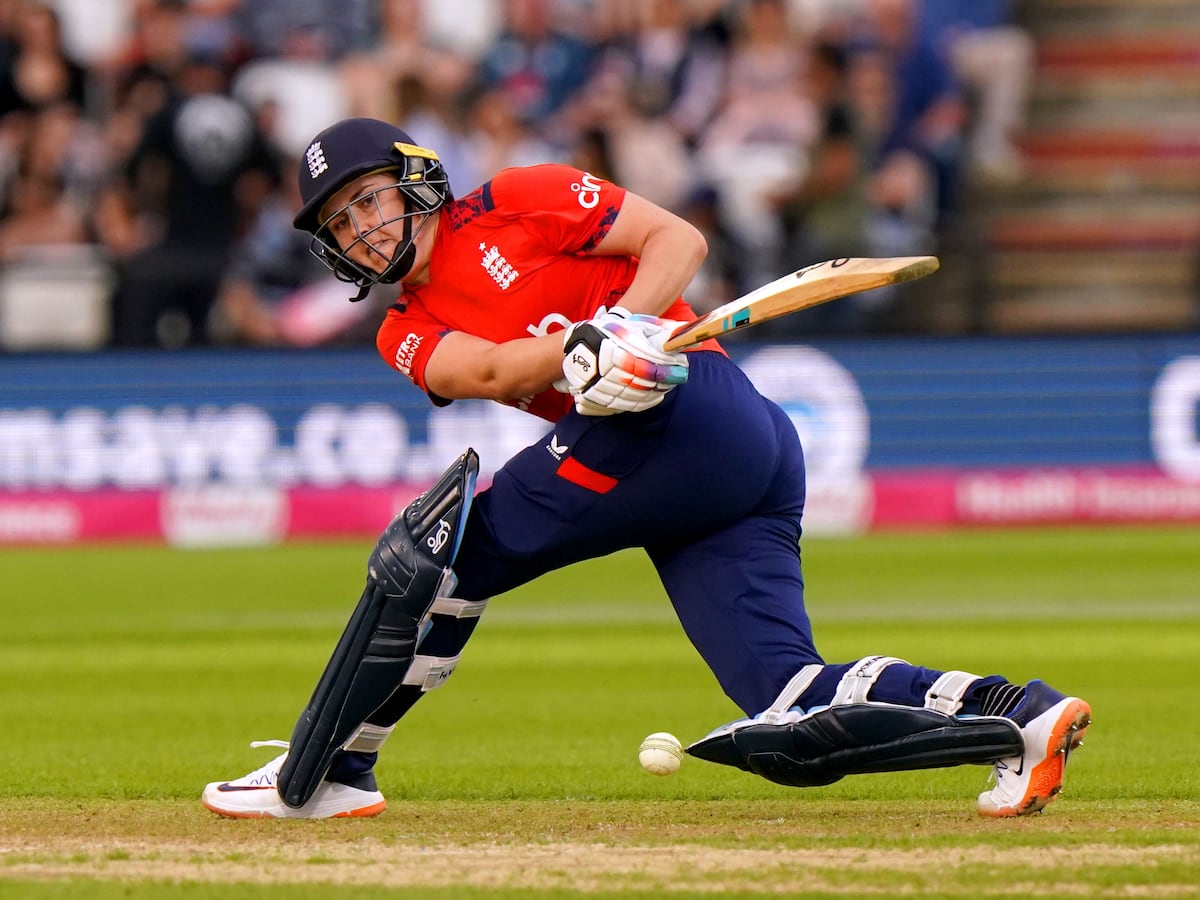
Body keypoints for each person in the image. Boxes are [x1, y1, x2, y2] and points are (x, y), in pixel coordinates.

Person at [200, 117, 1091, 820]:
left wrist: (624, 322)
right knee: (786, 697)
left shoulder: (520, 194)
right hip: (684, 458)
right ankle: (1020, 714)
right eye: (342, 223)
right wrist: (579, 356)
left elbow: (679, 241)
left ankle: (333, 768)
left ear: (413, 179)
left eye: (368, 201)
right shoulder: (402, 327)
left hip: (690, 409)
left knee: (443, 559)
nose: (362, 229)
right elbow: (488, 370)